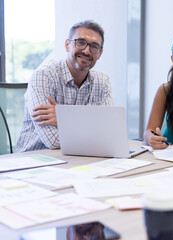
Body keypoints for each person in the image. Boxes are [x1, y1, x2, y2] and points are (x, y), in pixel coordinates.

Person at [16, 20, 113, 152]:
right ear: (67, 45)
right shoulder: (43, 76)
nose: (86, 51)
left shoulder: (102, 82)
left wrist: (65, 118)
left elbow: (108, 133)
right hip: (34, 160)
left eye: (94, 47)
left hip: (79, 158)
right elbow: (53, 141)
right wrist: (92, 124)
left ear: (100, 54)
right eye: (80, 43)